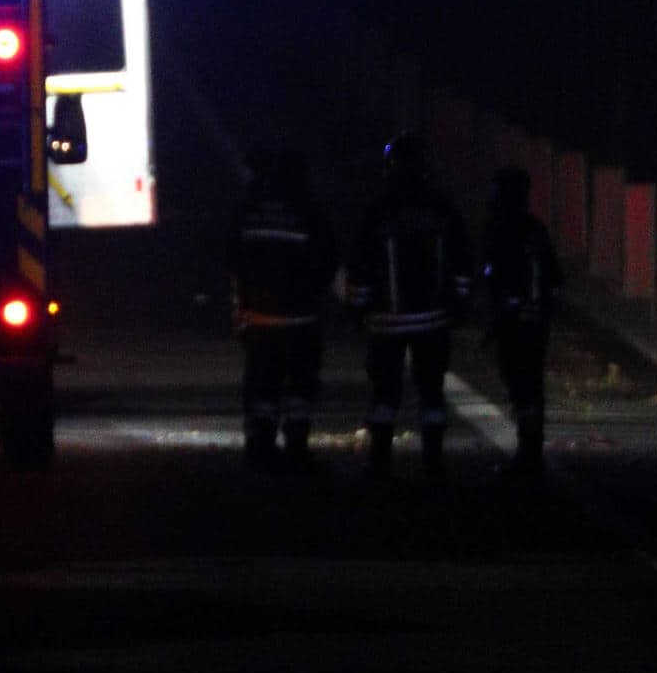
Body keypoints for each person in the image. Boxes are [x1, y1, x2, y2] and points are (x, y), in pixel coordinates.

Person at [344, 133, 475, 476]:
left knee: (385, 392)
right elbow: (462, 262)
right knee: (432, 391)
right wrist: (459, 305)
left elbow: (359, 263)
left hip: (386, 320)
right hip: (432, 319)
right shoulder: (441, 208)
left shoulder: (377, 209)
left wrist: (357, 308)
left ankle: (380, 459)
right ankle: (433, 459)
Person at [228, 148, 336, 469]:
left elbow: (232, 256)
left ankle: (260, 443)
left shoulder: (251, 209)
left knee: (262, 381)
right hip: (301, 316)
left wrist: (245, 303)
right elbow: (328, 258)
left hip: (260, 315)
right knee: (300, 383)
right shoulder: (309, 210)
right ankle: (296, 444)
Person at [481, 164, 564, 477]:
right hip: (537, 321)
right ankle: (532, 449)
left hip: (513, 322)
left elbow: (495, 278)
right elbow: (555, 278)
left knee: (519, 385)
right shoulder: (536, 229)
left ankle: (528, 453)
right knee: (532, 384)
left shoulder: (500, 230)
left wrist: (500, 313)